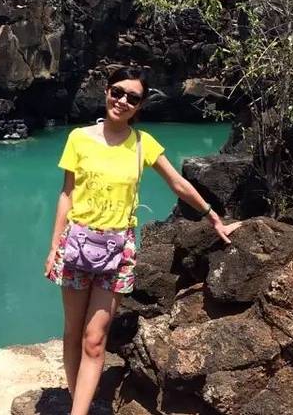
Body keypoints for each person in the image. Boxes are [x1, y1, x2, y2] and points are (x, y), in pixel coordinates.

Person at [44, 66, 242, 415]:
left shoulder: (142, 144)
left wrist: (212, 215)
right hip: (75, 245)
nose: (122, 101)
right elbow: (67, 194)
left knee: (95, 339)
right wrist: (53, 247)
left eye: (132, 98)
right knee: (73, 333)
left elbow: (178, 183)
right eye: (117, 92)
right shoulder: (79, 138)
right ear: (106, 92)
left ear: (140, 105)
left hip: (117, 250)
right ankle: (78, 402)